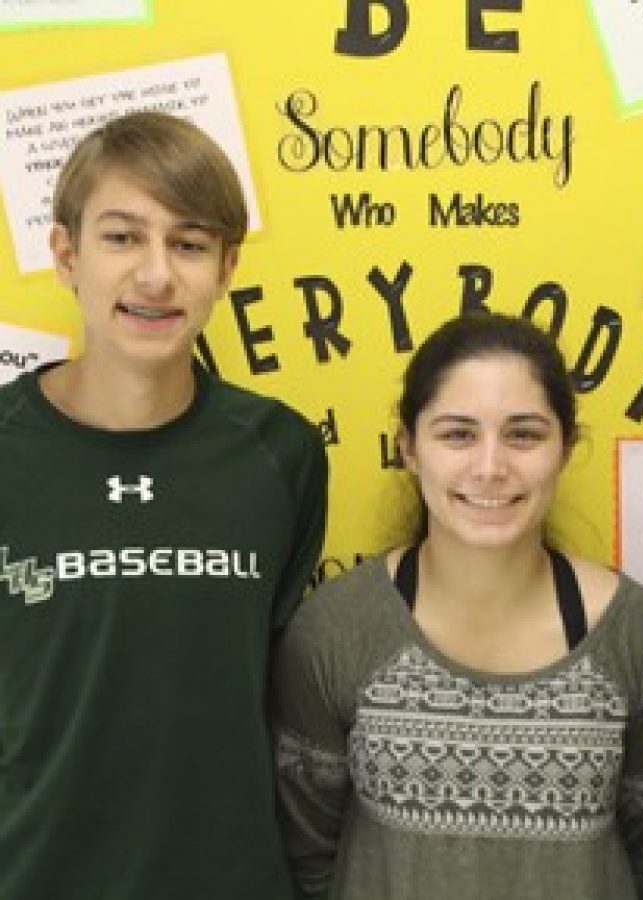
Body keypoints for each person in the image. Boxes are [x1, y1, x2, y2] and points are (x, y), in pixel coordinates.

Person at [0, 111, 327, 900]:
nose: (156, 275)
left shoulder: (281, 454)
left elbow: (278, 694)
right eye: (122, 238)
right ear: (66, 254)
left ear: (226, 266)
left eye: (188, 243)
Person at [273, 312, 643, 900]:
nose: (490, 467)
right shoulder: (336, 629)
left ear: (565, 449)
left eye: (524, 434)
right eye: (457, 434)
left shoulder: (636, 632)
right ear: (409, 448)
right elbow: (308, 856)